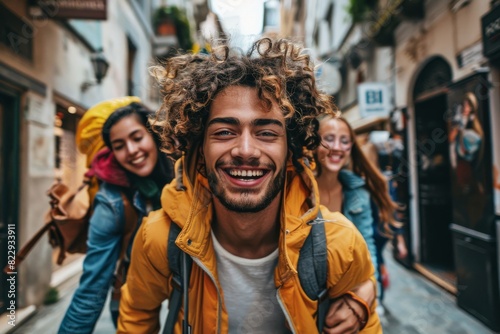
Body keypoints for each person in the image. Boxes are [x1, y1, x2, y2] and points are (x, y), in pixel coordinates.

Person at [118, 38, 381, 333]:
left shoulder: (339, 244)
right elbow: (136, 320)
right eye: (225, 131)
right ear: (200, 149)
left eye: (266, 133)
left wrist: (361, 299)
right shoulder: (158, 238)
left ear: (289, 150)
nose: (245, 150)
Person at [58, 101, 175, 333]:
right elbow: (92, 289)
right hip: (129, 295)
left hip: (188, 290)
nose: (131, 151)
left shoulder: (186, 173)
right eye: (119, 146)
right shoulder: (110, 202)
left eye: (137, 137)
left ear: (153, 134)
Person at [313, 113, 404, 308]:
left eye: (344, 141)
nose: (337, 147)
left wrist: (372, 298)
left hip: (345, 296)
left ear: (351, 147)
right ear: (314, 142)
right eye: (329, 138)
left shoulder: (358, 193)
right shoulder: (297, 187)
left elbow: (366, 249)